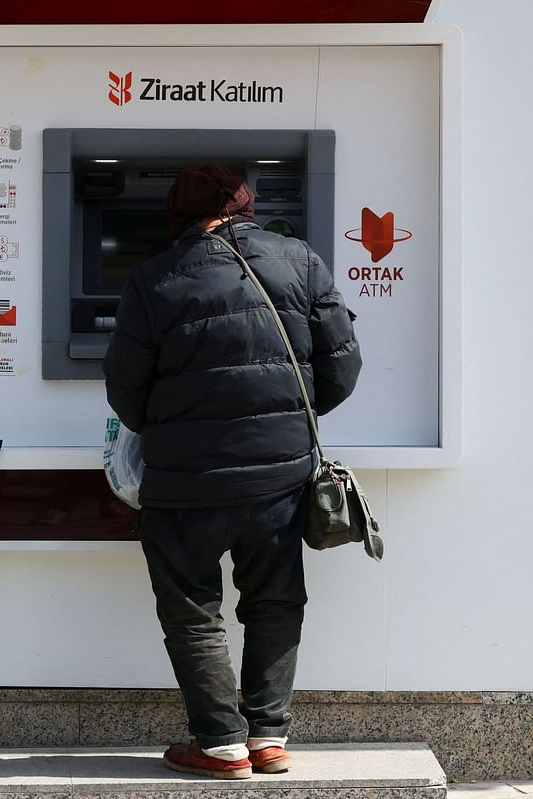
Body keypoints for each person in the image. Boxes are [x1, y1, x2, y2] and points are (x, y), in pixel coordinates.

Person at [103, 165, 361, 779]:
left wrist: (177, 427)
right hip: (279, 479)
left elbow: (125, 392)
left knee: (193, 610)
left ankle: (220, 746)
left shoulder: (153, 278)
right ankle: (268, 738)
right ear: (247, 206)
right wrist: (275, 420)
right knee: (274, 600)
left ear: (177, 215)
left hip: (185, 481)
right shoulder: (300, 261)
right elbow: (341, 369)